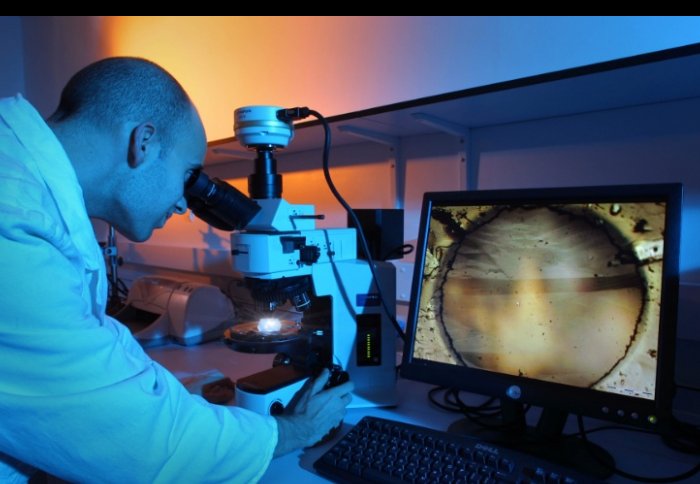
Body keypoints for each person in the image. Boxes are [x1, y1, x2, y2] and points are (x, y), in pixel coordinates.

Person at [0, 57, 353, 483]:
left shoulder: (28, 189)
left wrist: (177, 399)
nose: (187, 204)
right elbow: (137, 448)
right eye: (189, 174)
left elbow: (100, 349)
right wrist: (294, 430)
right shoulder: (16, 223)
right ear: (143, 142)